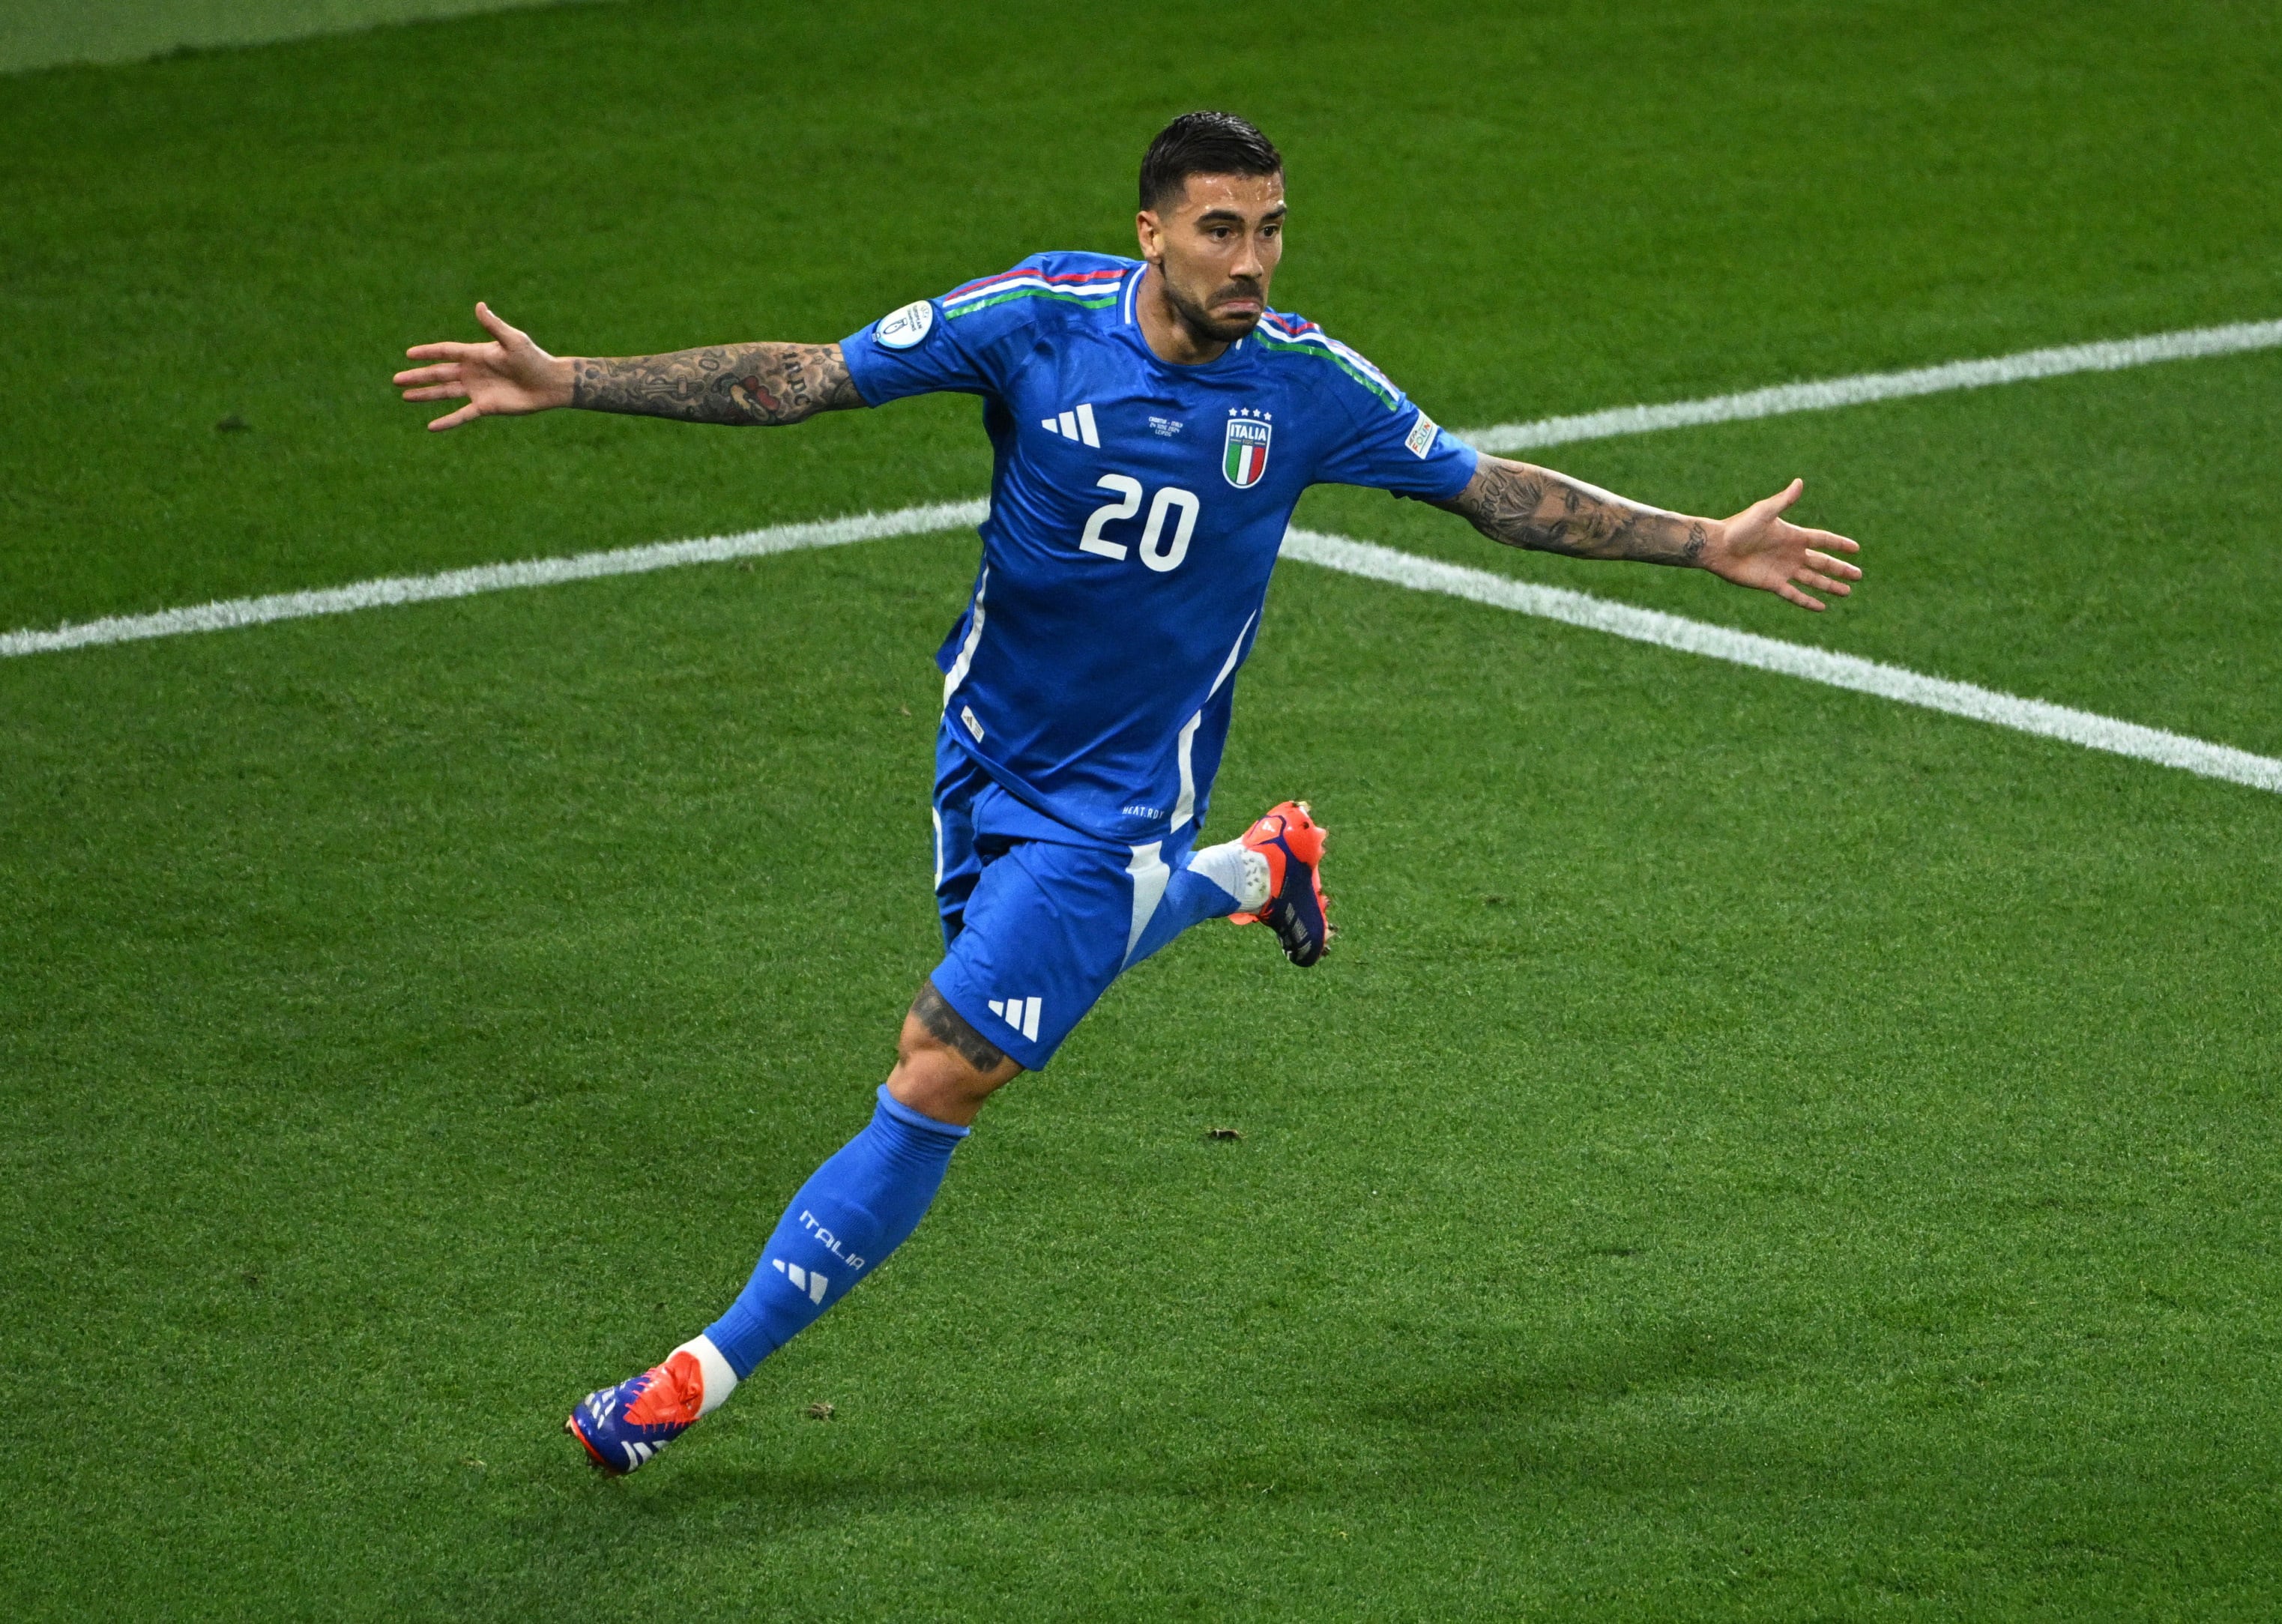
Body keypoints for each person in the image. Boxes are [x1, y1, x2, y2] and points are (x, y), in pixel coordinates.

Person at [394, 111, 1861, 1475]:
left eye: (1273, 228)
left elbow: (1492, 493)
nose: (1254, 260)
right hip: (983, 749)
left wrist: (1701, 542)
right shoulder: (1034, 324)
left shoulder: (1306, 388)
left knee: (941, 1066)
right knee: (991, 1011)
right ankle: (1257, 870)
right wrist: (569, 380)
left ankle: (691, 1381)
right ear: (1151, 231)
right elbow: (806, 380)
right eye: (1223, 229)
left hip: (1111, 810)